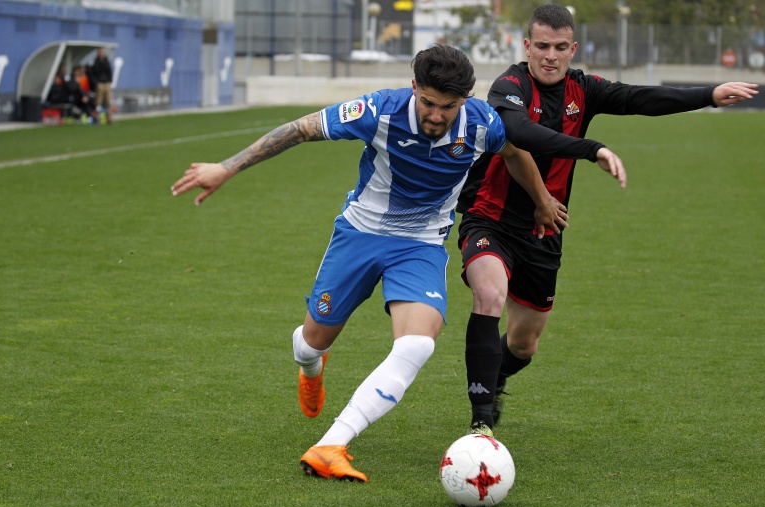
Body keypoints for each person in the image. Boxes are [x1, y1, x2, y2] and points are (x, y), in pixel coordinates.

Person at [171, 45, 568, 482]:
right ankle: (310, 366)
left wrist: (542, 200)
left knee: (417, 344)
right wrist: (227, 168)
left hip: (420, 245)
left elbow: (515, 152)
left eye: (449, 107)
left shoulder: (481, 122)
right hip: (359, 236)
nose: (437, 116)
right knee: (311, 342)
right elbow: (300, 129)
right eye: (428, 103)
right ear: (413, 87)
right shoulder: (378, 110)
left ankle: (331, 445)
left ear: (465, 100)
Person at [456, 3, 759, 436]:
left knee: (524, 343)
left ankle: (497, 374)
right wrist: (591, 148)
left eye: (560, 47)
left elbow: (639, 98)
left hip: (545, 229)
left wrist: (708, 95)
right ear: (527, 46)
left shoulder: (584, 89)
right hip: (491, 218)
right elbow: (518, 132)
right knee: (489, 293)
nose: (550, 55)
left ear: (573, 49)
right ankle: (481, 423)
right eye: (542, 46)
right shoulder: (510, 86)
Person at [91, 48, 113, 124]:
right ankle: (97, 118)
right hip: (99, 84)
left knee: (108, 102)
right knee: (98, 103)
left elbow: (110, 72)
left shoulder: (106, 61)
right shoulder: (96, 62)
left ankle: (109, 118)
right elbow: (93, 74)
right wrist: (97, 83)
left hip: (106, 83)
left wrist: (109, 81)